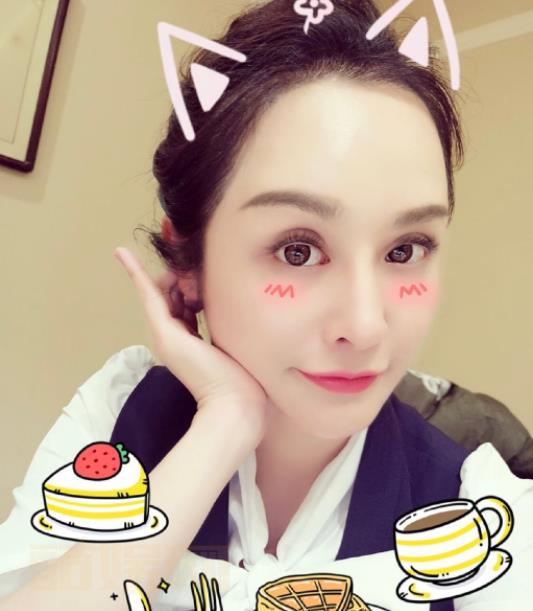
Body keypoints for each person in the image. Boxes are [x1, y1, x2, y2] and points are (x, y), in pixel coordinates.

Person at [0, 1, 531, 610]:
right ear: (189, 263)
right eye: (298, 251)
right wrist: (225, 424)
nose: (365, 326)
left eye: (405, 249)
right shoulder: (116, 423)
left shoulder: (477, 509)